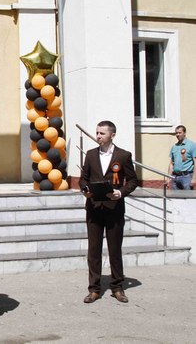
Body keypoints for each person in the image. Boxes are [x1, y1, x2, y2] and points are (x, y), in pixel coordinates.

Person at [79, 120, 138, 304]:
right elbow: (83, 179)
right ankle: (94, 289)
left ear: (112, 135)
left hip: (114, 209)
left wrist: (120, 193)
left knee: (115, 250)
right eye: (97, 133)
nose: (98, 136)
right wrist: (85, 189)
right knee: (94, 251)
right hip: (94, 208)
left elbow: (132, 181)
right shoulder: (90, 155)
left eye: (102, 133)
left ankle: (117, 287)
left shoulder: (123, 155)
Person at [167, 125, 196, 190]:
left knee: (188, 198)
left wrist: (194, 179)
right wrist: (168, 179)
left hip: (187, 177)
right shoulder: (174, 147)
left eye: (179, 132)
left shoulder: (192, 145)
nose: (177, 134)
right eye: (176, 133)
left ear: (184, 133)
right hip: (175, 177)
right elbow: (171, 164)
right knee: (176, 198)